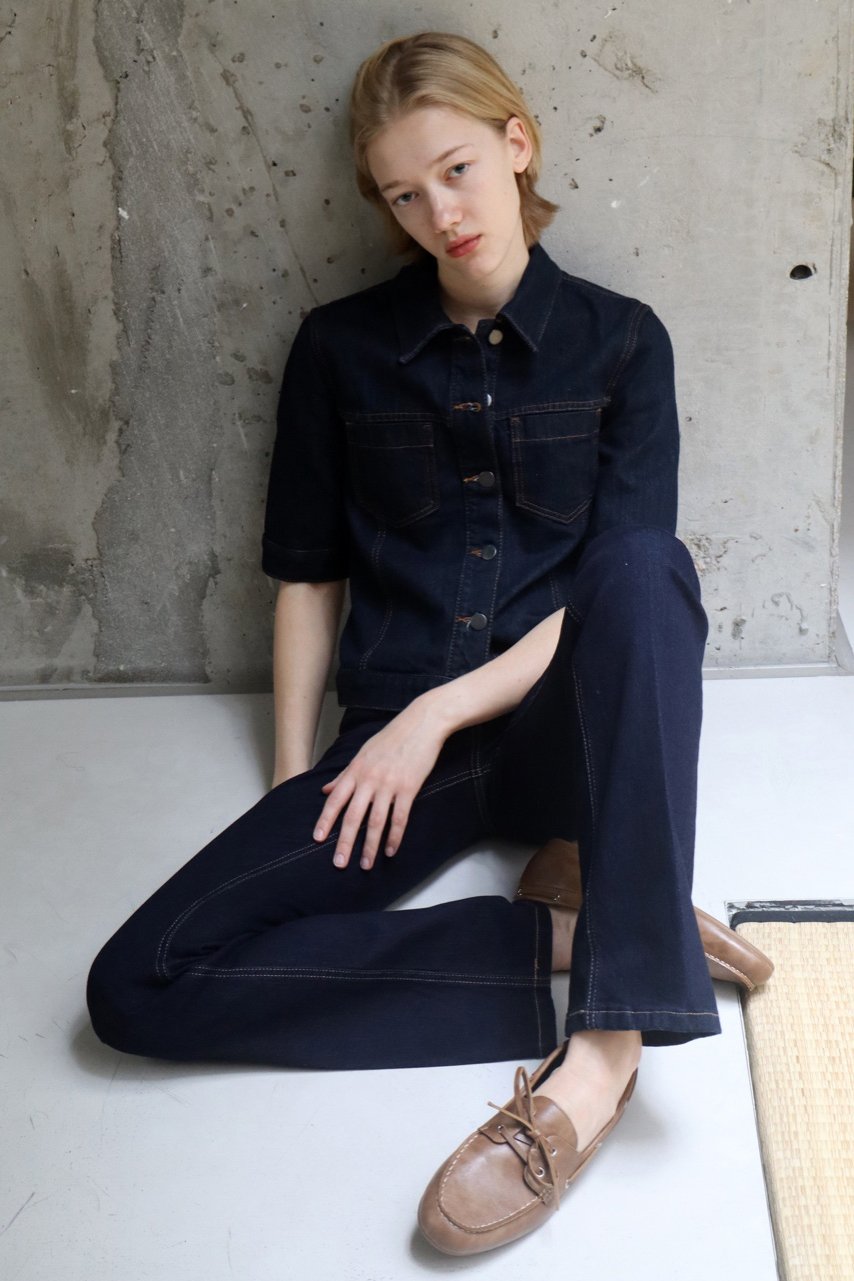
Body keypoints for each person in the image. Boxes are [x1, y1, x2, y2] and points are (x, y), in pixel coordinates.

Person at [86, 30, 774, 1256]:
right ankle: (583, 929)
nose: (438, 214)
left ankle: (602, 1054)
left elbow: (614, 608)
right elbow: (306, 576)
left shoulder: (624, 342)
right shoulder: (338, 349)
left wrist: (436, 712)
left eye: (455, 171)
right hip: (402, 749)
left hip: (557, 728)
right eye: (403, 194)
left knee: (642, 565)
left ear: (517, 146)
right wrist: (297, 779)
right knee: (137, 984)